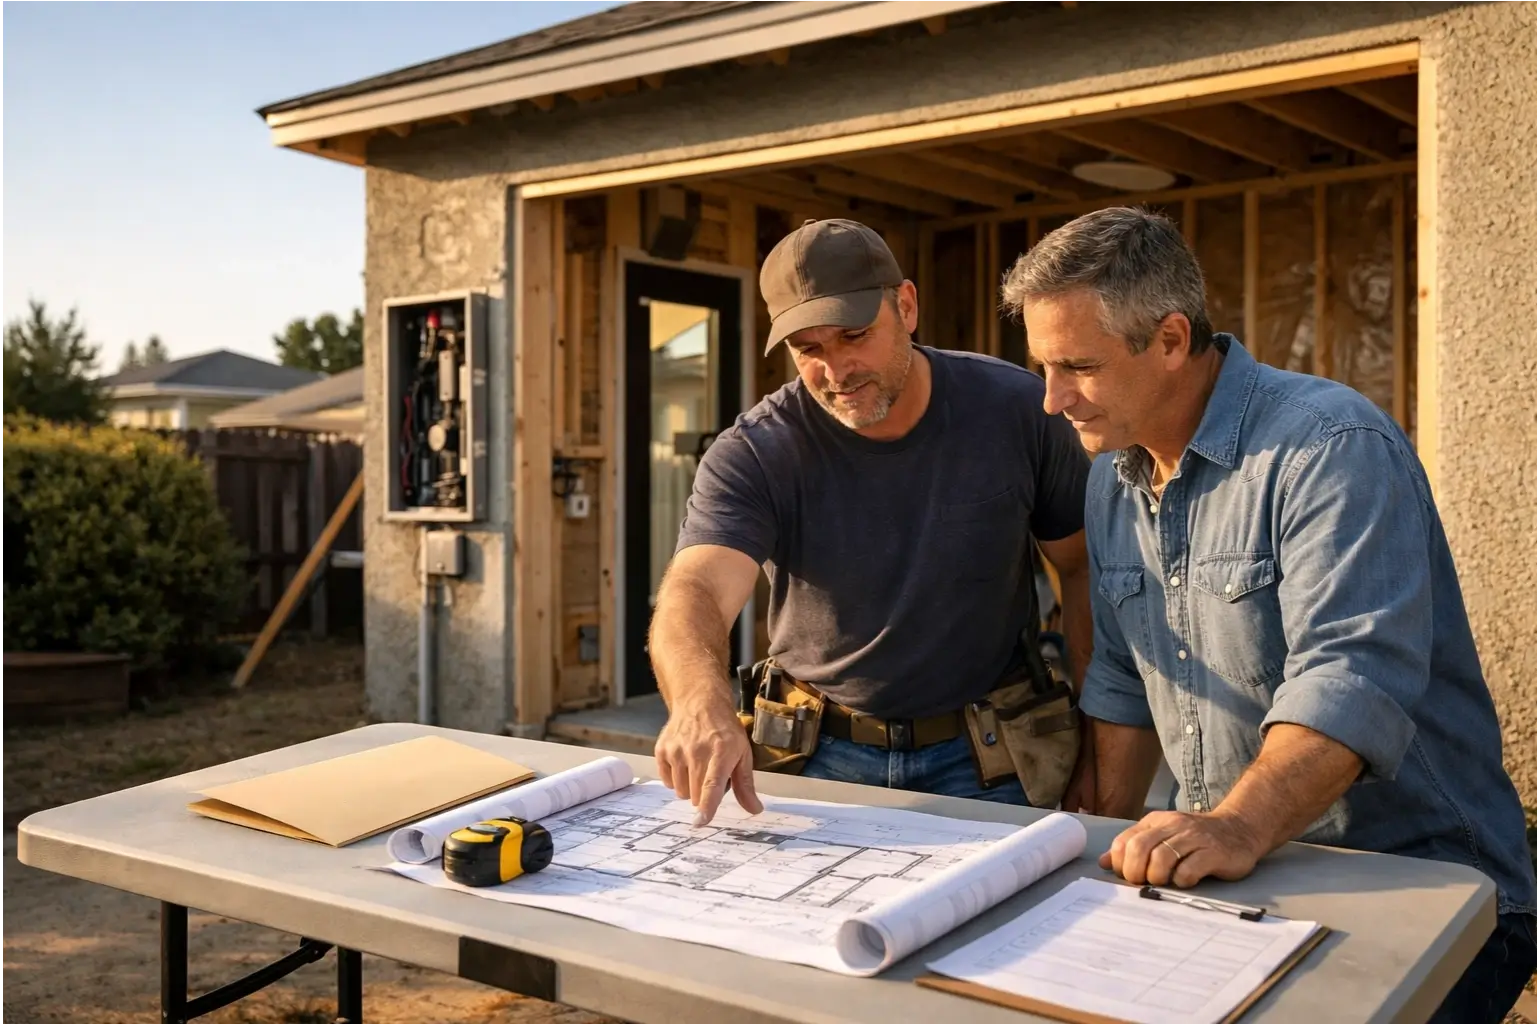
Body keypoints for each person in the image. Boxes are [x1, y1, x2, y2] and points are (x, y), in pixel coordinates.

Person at [1000, 204, 1537, 1024]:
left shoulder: (1330, 448)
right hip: (1234, 881)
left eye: (1076, 366)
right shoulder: (1111, 481)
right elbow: (1118, 681)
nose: (1051, 400)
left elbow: (1349, 681)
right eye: (1042, 367)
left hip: (1426, 886)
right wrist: (1088, 855)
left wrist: (1233, 828)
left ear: (1171, 340)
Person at [649, 217, 1095, 827]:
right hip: (811, 753)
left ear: (906, 307)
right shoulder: (756, 450)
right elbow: (695, 588)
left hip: (992, 755)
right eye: (810, 350)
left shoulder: (1018, 411)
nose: (837, 370)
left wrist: (1099, 738)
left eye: (855, 335)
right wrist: (699, 700)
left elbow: (1083, 571)